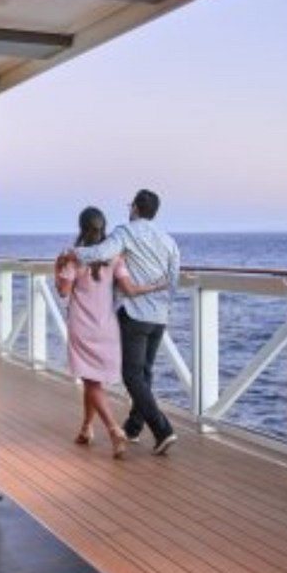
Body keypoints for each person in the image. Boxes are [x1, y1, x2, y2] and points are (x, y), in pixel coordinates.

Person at [69, 189, 181, 454]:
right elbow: (173, 281)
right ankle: (133, 427)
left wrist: (72, 253)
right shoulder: (169, 241)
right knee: (145, 373)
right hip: (160, 315)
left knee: (132, 376)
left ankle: (163, 430)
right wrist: (162, 300)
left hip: (135, 314)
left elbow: (100, 252)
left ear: (135, 209)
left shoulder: (125, 232)